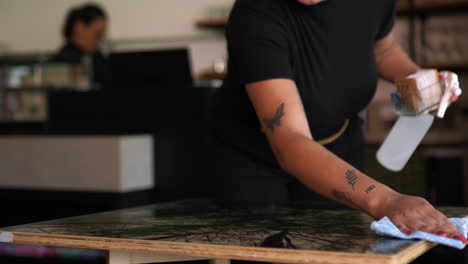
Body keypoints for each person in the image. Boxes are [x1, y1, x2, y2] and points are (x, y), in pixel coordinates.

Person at [212, 0, 466, 242]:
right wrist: (384, 200)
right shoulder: (255, 15)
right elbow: (289, 139)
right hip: (257, 161)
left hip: (338, 146)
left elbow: (382, 48)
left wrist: (420, 83)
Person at [52, 3, 110, 89]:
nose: (99, 40)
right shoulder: (60, 63)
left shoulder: (100, 58)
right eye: (97, 34)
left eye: (102, 35)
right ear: (79, 27)